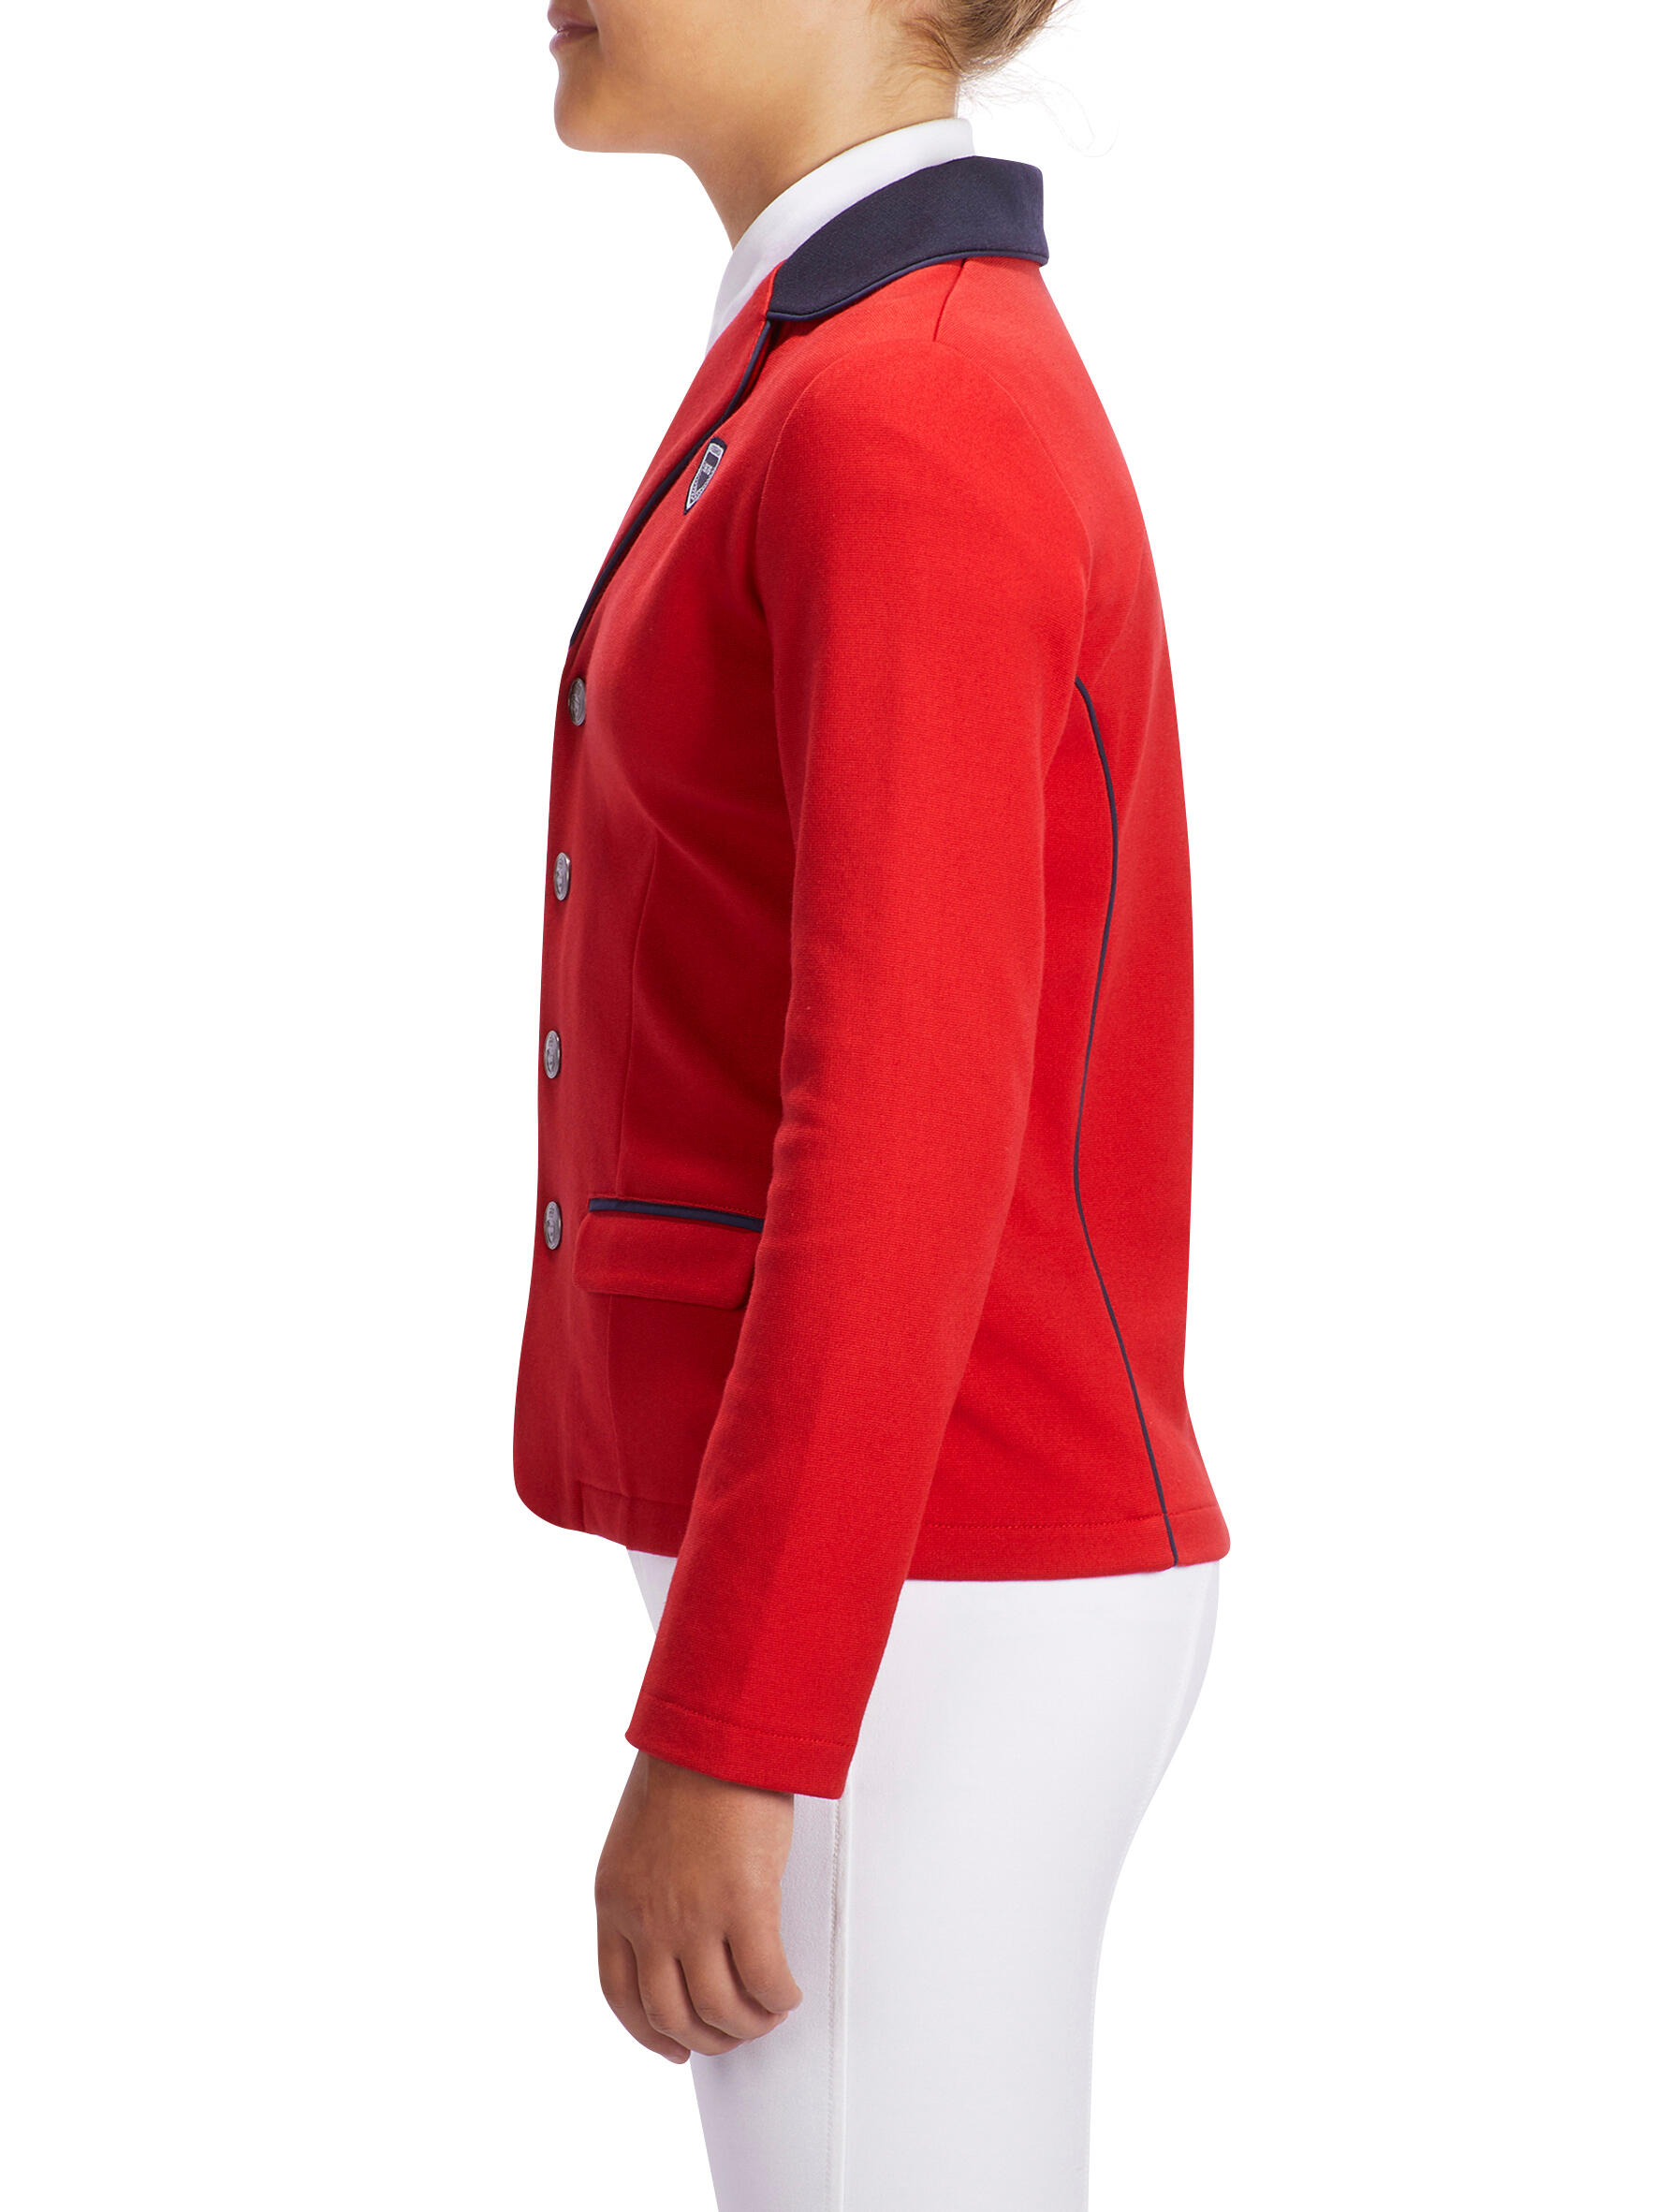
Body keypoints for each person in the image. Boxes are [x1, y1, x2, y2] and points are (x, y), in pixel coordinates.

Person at [517, 1, 1230, 2202]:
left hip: (923, 1585)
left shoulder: (902, 407)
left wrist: (739, 1726)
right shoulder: (838, 364)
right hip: (892, 1566)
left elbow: (903, 1133)